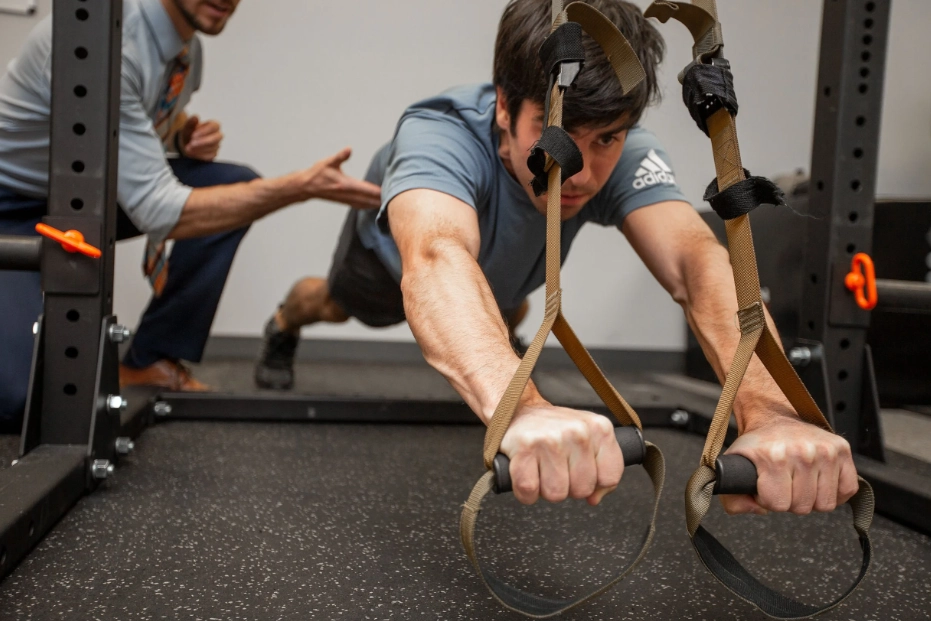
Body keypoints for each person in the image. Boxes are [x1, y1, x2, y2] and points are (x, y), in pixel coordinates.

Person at [255, 0, 859, 516]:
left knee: (510, 312)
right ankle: (282, 325)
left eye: (608, 139)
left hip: (505, 278)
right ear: (502, 108)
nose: (586, 171)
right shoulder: (438, 131)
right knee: (330, 305)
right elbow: (436, 255)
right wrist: (523, 409)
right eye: (558, 135)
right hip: (394, 266)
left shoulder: (622, 154)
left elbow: (694, 260)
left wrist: (773, 412)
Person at [0, 0, 381, 431]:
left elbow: (135, 119)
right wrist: (297, 187)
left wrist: (181, 135)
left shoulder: (185, 51)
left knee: (231, 181)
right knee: (20, 403)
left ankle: (151, 358)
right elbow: (162, 210)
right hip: (12, 204)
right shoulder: (110, 44)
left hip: (87, 191)